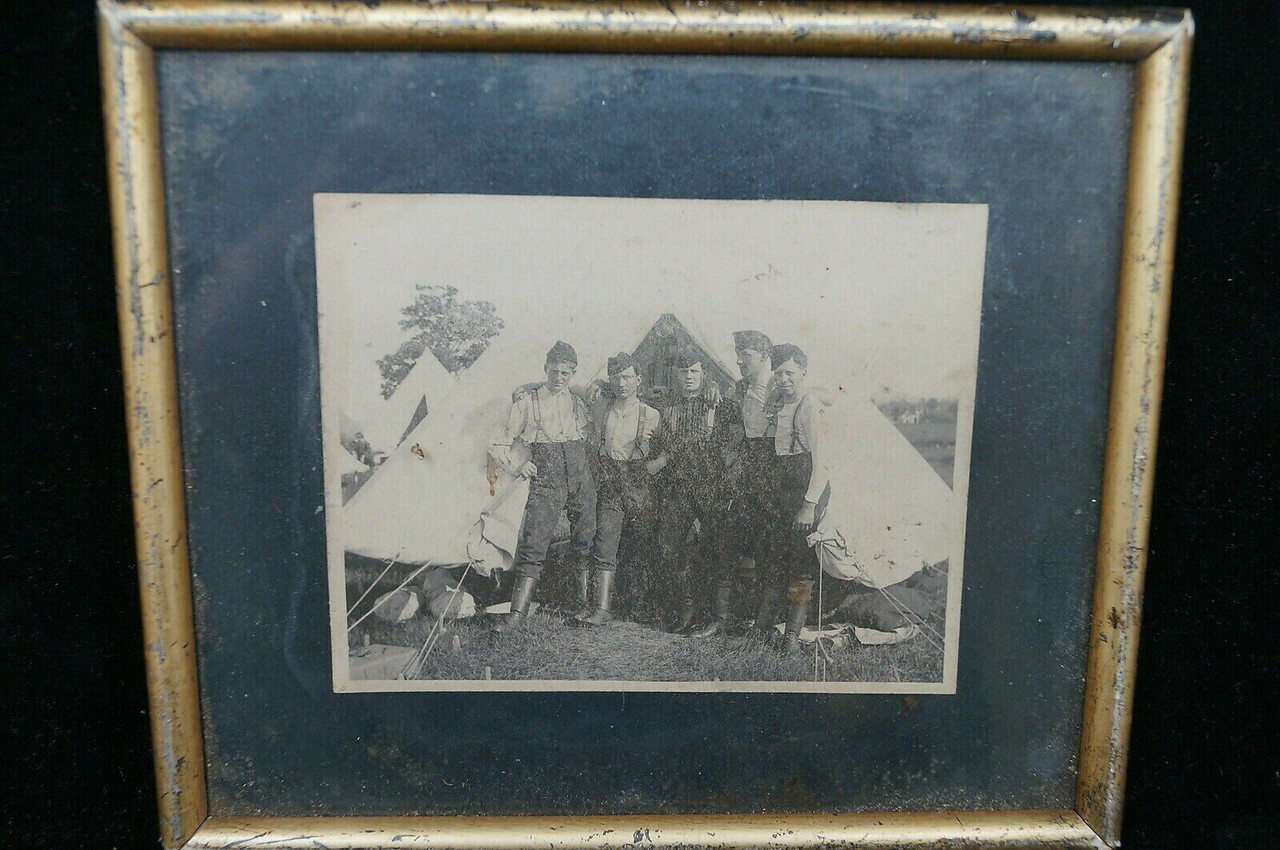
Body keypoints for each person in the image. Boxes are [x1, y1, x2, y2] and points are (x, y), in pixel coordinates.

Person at [487, 341, 597, 634]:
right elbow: (497, 442)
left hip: (579, 473)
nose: (559, 378)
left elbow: (589, 430)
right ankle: (517, 615)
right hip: (547, 476)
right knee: (534, 543)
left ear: (573, 373)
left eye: (565, 373)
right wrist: (518, 465)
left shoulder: (578, 401)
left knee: (585, 538)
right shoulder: (527, 402)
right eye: (554, 371)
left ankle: (584, 606)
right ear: (545, 369)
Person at [648, 347, 742, 633]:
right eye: (683, 371)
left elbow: (737, 443)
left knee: (718, 548)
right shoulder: (666, 404)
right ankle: (687, 612)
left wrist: (725, 476)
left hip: (711, 486)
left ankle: (719, 619)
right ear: (675, 374)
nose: (688, 377)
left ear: (704, 374)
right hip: (678, 487)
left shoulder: (721, 404)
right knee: (672, 547)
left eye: (694, 372)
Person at [687, 329, 773, 639]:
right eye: (738, 355)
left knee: (767, 553)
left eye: (746, 356)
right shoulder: (739, 389)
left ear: (765, 357)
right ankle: (720, 619)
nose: (738, 361)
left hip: (772, 478)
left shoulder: (780, 388)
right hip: (742, 479)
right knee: (724, 545)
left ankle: (761, 625)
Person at [573, 352, 661, 627]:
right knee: (605, 543)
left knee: (640, 544)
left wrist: (652, 468)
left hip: (640, 483)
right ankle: (602, 608)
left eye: (626, 377)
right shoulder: (602, 407)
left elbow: (668, 450)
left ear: (638, 379)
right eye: (616, 377)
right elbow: (574, 388)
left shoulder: (653, 413)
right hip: (610, 479)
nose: (621, 383)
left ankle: (638, 607)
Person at [761, 343, 831, 655]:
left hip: (806, 486)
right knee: (777, 560)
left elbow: (823, 462)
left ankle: (791, 638)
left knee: (801, 567)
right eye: (778, 373)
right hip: (784, 485)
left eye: (790, 372)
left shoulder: (810, 405)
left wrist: (809, 503)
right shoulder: (781, 403)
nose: (784, 378)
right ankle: (761, 629)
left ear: (803, 371)